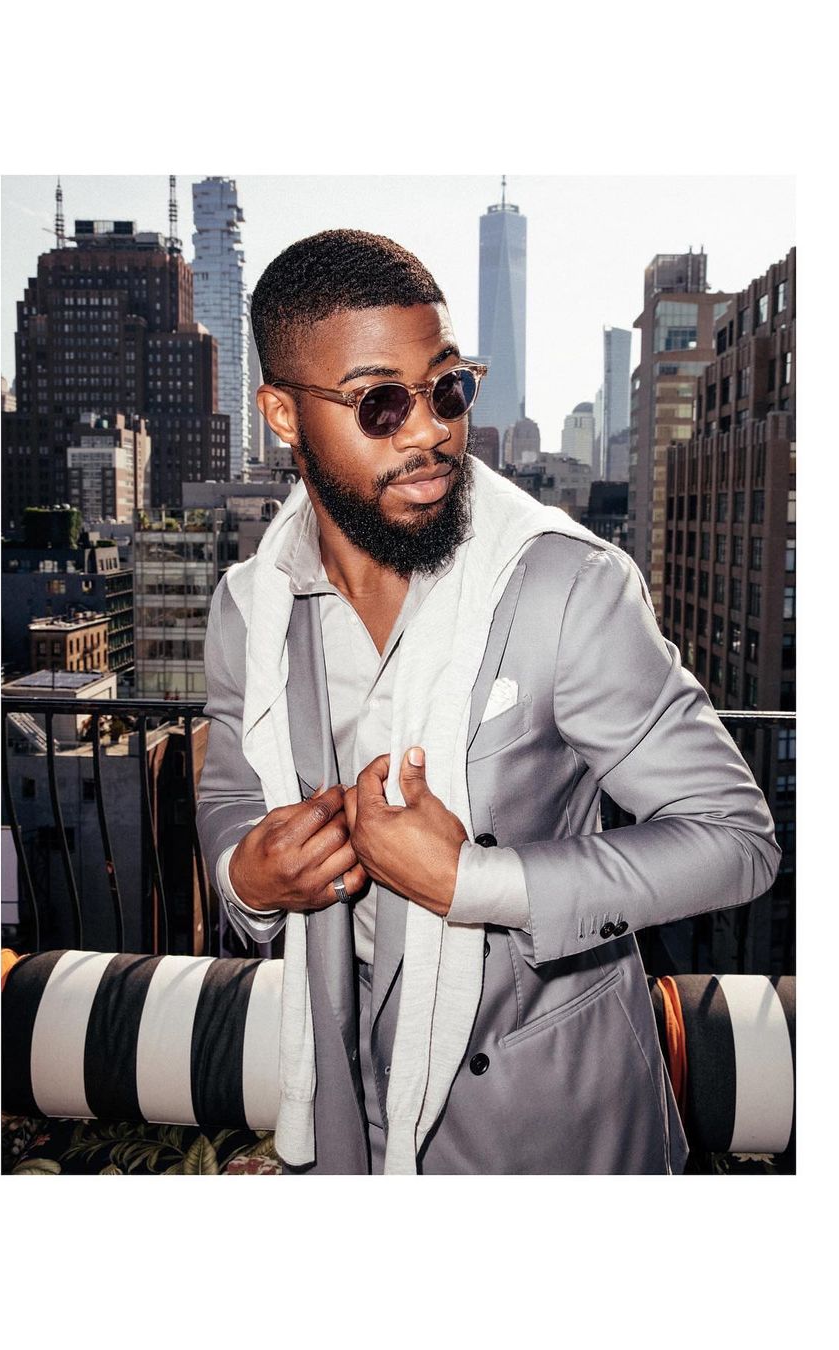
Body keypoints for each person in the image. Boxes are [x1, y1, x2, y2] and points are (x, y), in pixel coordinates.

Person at [196, 229, 780, 1175]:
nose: (430, 431)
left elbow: (735, 839)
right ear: (282, 415)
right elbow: (229, 797)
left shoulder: (566, 587)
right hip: (351, 1110)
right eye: (380, 403)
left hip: (555, 1124)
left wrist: (475, 882)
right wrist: (250, 878)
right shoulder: (247, 610)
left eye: (447, 388)